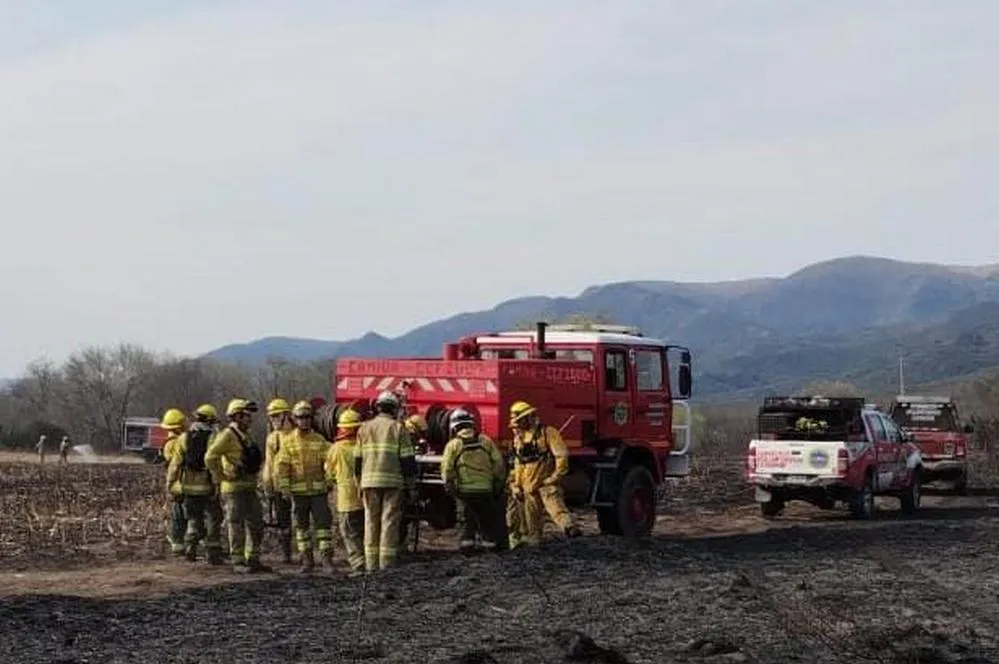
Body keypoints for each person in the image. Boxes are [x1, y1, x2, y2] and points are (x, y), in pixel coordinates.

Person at [205, 398, 271, 573]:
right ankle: (238, 561)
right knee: (236, 524)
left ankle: (253, 558)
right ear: (237, 416)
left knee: (256, 523)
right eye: (247, 416)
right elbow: (210, 457)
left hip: (249, 486)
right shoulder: (227, 435)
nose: (250, 419)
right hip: (234, 489)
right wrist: (221, 476)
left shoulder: (246, 435)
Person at [354, 390, 417, 572]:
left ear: (377, 407)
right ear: (394, 409)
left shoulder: (364, 428)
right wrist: (411, 485)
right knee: (389, 521)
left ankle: (371, 565)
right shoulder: (398, 428)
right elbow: (407, 459)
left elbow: (357, 459)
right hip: (392, 482)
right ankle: (386, 564)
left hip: (368, 481)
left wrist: (358, 482)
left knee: (370, 521)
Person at [506, 401, 581, 548]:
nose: (519, 424)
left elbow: (561, 456)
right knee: (529, 518)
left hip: (545, 481)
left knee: (554, 504)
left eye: (520, 420)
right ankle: (532, 543)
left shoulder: (548, 433)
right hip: (527, 486)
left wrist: (554, 477)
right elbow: (518, 463)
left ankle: (569, 527)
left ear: (529, 417)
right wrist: (516, 484)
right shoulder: (519, 437)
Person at [275, 400, 335, 574]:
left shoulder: (320, 439)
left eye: (308, 417)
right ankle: (307, 561)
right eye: (301, 417)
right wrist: (284, 488)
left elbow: (329, 462)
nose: (305, 420)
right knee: (302, 529)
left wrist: (329, 481)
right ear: (295, 419)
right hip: (298, 494)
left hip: (318, 492)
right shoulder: (287, 442)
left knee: (323, 527)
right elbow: (282, 467)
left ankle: (326, 560)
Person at [440, 408, 506, 552]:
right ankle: (489, 548)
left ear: (454, 427)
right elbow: (499, 464)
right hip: (486, 490)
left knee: (467, 521)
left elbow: (447, 469)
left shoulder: (453, 445)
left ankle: (467, 547)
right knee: (486, 521)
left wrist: (450, 487)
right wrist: (497, 484)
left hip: (465, 492)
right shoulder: (485, 441)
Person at [167, 405, 224, 564]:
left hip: (188, 487)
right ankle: (213, 552)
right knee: (214, 517)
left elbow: (175, 464)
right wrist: (217, 484)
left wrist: (170, 483)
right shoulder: (214, 437)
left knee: (193, 518)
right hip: (207, 486)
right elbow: (213, 464)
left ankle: (190, 547)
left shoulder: (184, 438)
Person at [325, 408, 365, 575]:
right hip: (364, 498)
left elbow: (328, 472)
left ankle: (358, 565)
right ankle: (369, 562)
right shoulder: (363, 446)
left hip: (346, 500)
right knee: (363, 532)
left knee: (350, 534)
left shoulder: (336, 449)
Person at [262, 397, 294, 563]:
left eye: (277, 415)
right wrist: (268, 485)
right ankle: (286, 553)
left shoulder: (296, 435)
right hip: (278, 487)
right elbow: (269, 464)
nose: (274, 419)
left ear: (286, 415)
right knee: (284, 521)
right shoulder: (272, 438)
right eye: (271, 416)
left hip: (298, 485)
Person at [159, 408, 188, 558]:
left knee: (181, 512)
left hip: (178, 482)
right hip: (180, 482)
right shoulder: (174, 443)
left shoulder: (171, 442)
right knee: (180, 513)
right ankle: (179, 543)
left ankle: (180, 543)